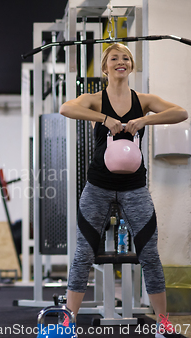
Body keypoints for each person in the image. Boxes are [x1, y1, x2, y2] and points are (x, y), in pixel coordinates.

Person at [59, 43, 187, 338]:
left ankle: (163, 326)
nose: (121, 62)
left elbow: (180, 112)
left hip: (134, 187)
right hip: (98, 186)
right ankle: (68, 325)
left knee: (150, 255)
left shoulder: (143, 100)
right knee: (83, 254)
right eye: (114, 58)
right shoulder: (94, 99)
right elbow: (66, 108)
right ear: (105, 68)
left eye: (126, 58)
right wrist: (104, 118)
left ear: (131, 66)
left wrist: (145, 119)